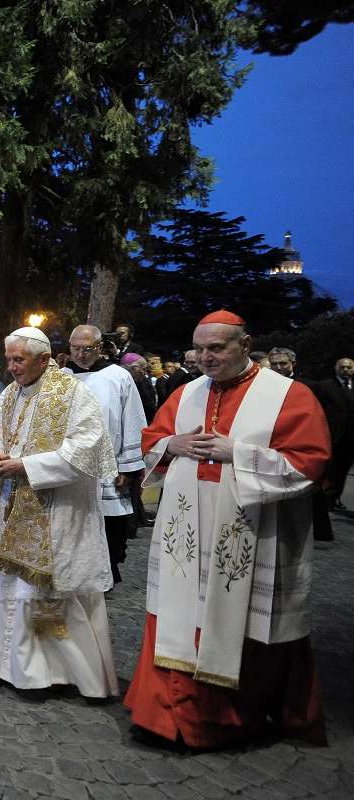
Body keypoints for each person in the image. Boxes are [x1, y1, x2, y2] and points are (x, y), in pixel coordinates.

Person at [125, 310, 331, 748]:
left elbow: (309, 464)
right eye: (199, 348)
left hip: (250, 533)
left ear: (245, 344)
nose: (205, 357)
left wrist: (236, 453)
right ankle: (162, 711)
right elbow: (151, 441)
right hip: (187, 528)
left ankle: (221, 718)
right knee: (177, 614)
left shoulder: (288, 395)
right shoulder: (186, 392)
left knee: (234, 615)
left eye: (216, 348)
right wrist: (172, 444)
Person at [0, 326, 119, 698]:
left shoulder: (73, 393)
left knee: (43, 589)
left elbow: (87, 449)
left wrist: (27, 466)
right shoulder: (10, 393)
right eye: (9, 359)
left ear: (44, 359)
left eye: (19, 359)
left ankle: (52, 671)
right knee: (7, 582)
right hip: (13, 504)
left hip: (55, 509)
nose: (11, 367)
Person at [64, 325, 148, 584]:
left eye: (86, 349)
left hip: (107, 465)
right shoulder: (61, 377)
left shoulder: (118, 376)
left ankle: (106, 573)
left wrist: (127, 468)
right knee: (71, 522)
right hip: (68, 465)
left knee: (109, 524)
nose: (80, 354)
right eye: (75, 348)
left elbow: (132, 420)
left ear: (99, 347)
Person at [311, 357, 354, 514]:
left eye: (349, 367)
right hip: (330, 435)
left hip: (350, 438)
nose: (345, 370)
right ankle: (325, 499)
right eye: (342, 367)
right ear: (336, 368)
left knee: (343, 470)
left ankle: (335, 498)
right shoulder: (325, 386)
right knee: (328, 470)